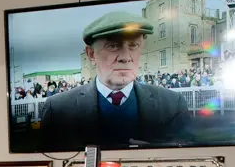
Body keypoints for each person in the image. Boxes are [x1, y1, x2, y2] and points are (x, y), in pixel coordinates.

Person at [39, 11, 191, 150]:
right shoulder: (58, 110)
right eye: (113, 46)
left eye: (133, 46)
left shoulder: (172, 104)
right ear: (91, 54)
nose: (125, 57)